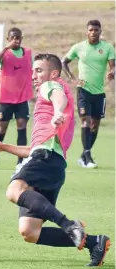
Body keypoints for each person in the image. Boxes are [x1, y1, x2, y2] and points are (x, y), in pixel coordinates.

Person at [0, 53, 110, 267]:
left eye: (38, 70)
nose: (34, 75)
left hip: (46, 157)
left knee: (13, 190)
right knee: (29, 231)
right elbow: (33, 149)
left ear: (54, 73)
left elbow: (59, 97)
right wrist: (2, 146)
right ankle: (95, 243)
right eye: (33, 70)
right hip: (51, 162)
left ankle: (68, 225)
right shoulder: (48, 111)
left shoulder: (51, 86)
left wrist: (58, 112)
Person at [62, 19, 115, 168]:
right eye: (90, 30)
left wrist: (112, 72)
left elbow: (113, 66)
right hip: (83, 91)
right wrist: (72, 79)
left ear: (100, 31)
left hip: (99, 93)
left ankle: (84, 155)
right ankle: (87, 156)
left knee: (95, 125)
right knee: (85, 120)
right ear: (87, 32)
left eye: (96, 30)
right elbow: (63, 62)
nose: (93, 32)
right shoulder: (79, 47)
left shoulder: (108, 47)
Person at [0, 27, 33, 172]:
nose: (16, 40)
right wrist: (4, 49)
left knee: (22, 126)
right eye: (13, 38)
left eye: (18, 37)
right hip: (6, 97)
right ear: (8, 39)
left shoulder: (27, 53)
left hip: (22, 97)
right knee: (2, 127)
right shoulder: (4, 54)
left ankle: (21, 161)